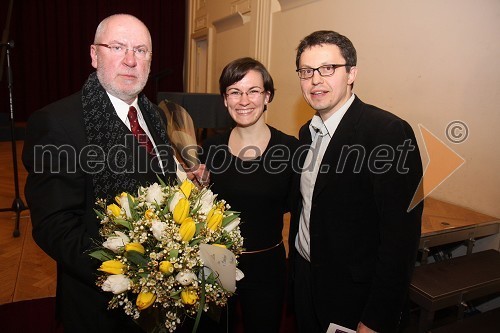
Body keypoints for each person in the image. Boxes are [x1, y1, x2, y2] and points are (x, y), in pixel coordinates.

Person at [22, 14, 180, 332]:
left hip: (163, 295)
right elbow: (54, 225)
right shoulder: (57, 122)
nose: (130, 60)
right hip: (99, 306)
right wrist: (126, 270)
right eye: (118, 47)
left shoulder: (154, 116)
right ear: (94, 54)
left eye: (141, 50)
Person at [289, 30, 424, 333]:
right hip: (306, 281)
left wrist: (376, 318)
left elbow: (400, 240)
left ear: (351, 73)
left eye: (328, 68)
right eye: (306, 71)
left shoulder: (387, 133)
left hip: (353, 297)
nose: (315, 80)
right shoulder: (306, 133)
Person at [200, 57, 300, 333]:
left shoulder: (291, 150)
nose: (244, 100)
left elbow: (301, 209)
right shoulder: (209, 149)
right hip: (216, 258)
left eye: (253, 91)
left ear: (267, 96)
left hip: (266, 263)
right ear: (224, 99)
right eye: (234, 91)